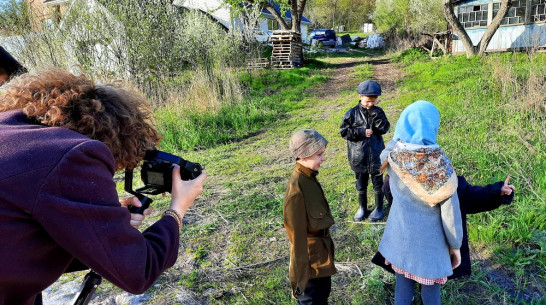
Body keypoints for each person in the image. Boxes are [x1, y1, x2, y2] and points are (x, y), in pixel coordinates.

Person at [0, 69, 207, 305]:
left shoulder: (9, 129)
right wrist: (177, 209)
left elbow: (16, 227)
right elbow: (138, 272)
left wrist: (95, 220)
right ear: (117, 136)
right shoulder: (72, 153)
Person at [377, 100, 463, 305]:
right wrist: (455, 246)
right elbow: (450, 213)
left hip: (401, 239)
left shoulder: (393, 155)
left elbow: (383, 153)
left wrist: (398, 138)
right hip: (429, 247)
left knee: (403, 289)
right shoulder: (441, 167)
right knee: (431, 294)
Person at [372, 174, 515, 280]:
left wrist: (497, 191)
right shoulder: (401, 180)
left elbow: (474, 197)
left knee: (415, 286)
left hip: (423, 252)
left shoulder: (451, 187)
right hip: (417, 250)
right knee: (410, 284)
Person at [283, 129, 336, 305]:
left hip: (321, 258)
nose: (324, 158)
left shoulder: (309, 178)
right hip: (310, 265)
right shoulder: (297, 188)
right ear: (304, 156)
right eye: (319, 154)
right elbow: (296, 239)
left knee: (322, 297)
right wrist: (299, 278)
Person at [340, 80, 390, 221]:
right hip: (358, 157)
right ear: (360, 96)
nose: (370, 104)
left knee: (378, 183)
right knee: (361, 183)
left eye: (373, 101)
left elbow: (384, 129)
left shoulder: (378, 112)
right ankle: (362, 207)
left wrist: (377, 116)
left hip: (376, 155)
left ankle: (379, 208)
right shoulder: (351, 114)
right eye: (368, 101)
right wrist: (361, 132)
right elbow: (344, 132)